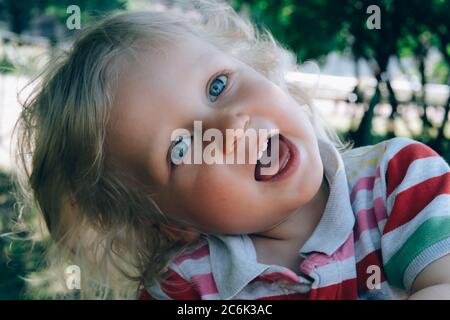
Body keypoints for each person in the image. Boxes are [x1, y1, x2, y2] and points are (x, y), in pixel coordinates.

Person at [15, 0, 450, 300]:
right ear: (172, 225)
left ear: (258, 68)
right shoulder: (186, 285)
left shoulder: (399, 183)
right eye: (181, 147)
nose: (231, 126)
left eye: (218, 85)